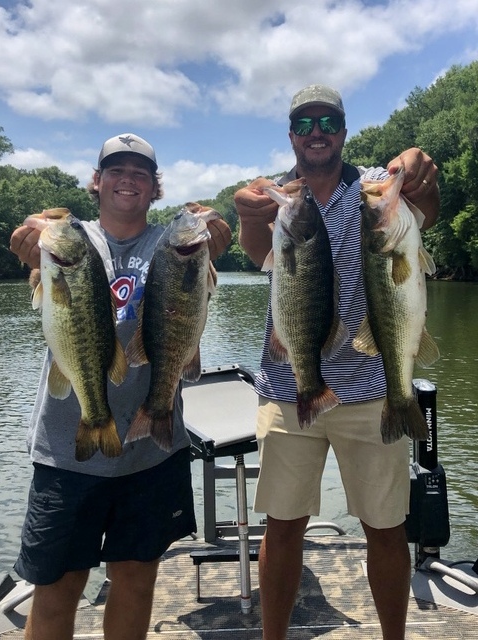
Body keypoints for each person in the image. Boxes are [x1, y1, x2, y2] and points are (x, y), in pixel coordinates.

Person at [234, 85, 440, 640]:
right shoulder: (278, 196)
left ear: (344, 131)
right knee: (282, 527)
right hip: (289, 383)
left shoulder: (372, 186)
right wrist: (248, 213)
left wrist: (418, 168)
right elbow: (257, 252)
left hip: (373, 388)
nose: (317, 131)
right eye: (305, 123)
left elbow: (425, 209)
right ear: (292, 136)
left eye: (327, 121)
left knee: (386, 528)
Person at [9, 132, 231, 640]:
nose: (127, 180)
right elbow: (38, 230)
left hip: (151, 457)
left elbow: (207, 242)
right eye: (116, 170)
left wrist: (213, 233)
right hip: (68, 454)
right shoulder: (72, 240)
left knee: (134, 582)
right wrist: (32, 238)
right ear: (97, 181)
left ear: (155, 188)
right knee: (57, 588)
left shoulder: (170, 243)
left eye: (140, 174)